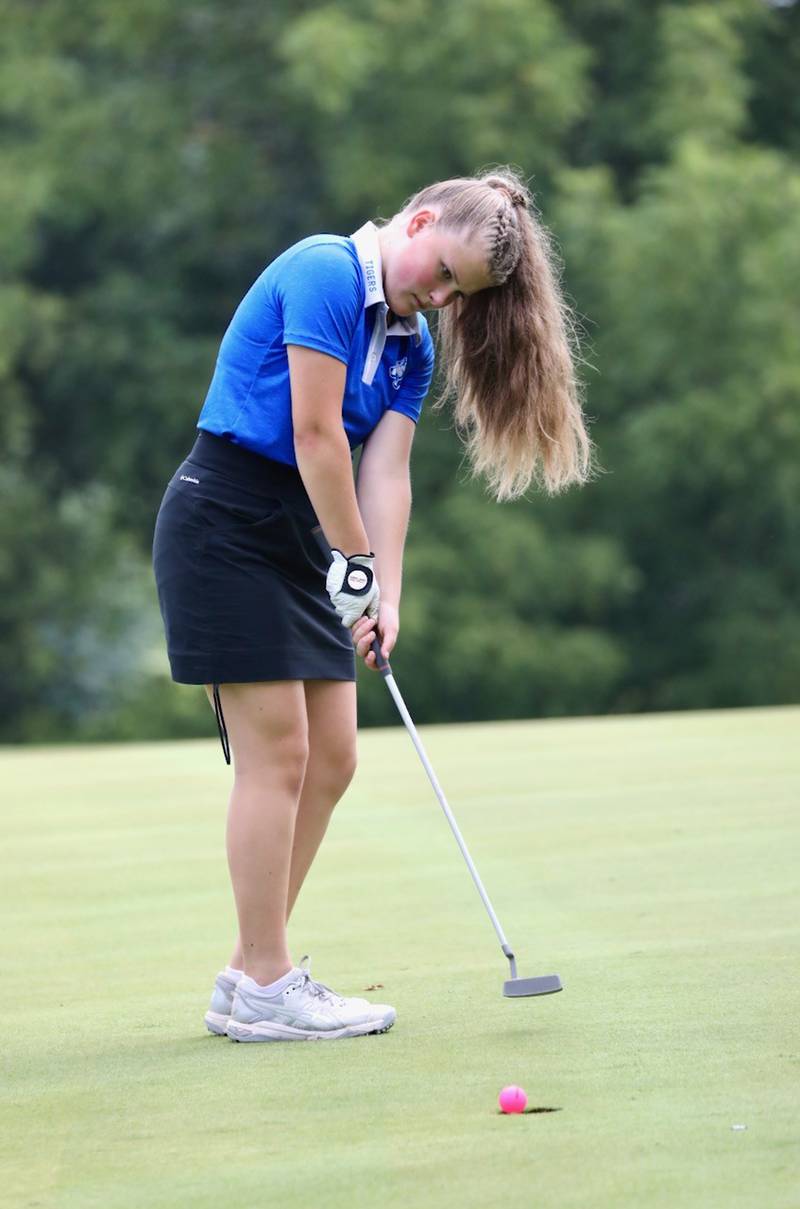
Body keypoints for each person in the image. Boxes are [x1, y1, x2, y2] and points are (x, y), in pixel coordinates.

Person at [152, 166, 591, 1043]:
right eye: (440, 271)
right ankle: (271, 982)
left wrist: (384, 590)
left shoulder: (409, 345)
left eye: (453, 293)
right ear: (419, 219)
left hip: (304, 534)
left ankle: (247, 972)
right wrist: (350, 559)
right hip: (224, 522)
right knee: (279, 751)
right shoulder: (322, 271)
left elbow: (384, 472)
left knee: (336, 757)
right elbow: (317, 436)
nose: (435, 294)